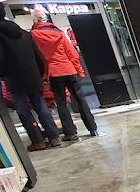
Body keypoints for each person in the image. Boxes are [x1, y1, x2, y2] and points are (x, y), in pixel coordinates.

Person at [0, 0, 60, 151]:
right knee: (41, 105)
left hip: (14, 77)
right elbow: (37, 54)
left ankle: (38, 140)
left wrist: (3, 74)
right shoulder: (24, 33)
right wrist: (40, 73)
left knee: (23, 108)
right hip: (33, 75)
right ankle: (54, 136)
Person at [30, 8, 98, 140]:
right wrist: (79, 70)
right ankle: (92, 128)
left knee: (61, 103)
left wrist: (43, 75)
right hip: (68, 69)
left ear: (34, 20)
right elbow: (71, 53)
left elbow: (36, 57)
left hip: (53, 72)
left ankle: (70, 133)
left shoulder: (33, 35)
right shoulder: (59, 32)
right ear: (46, 18)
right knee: (80, 99)